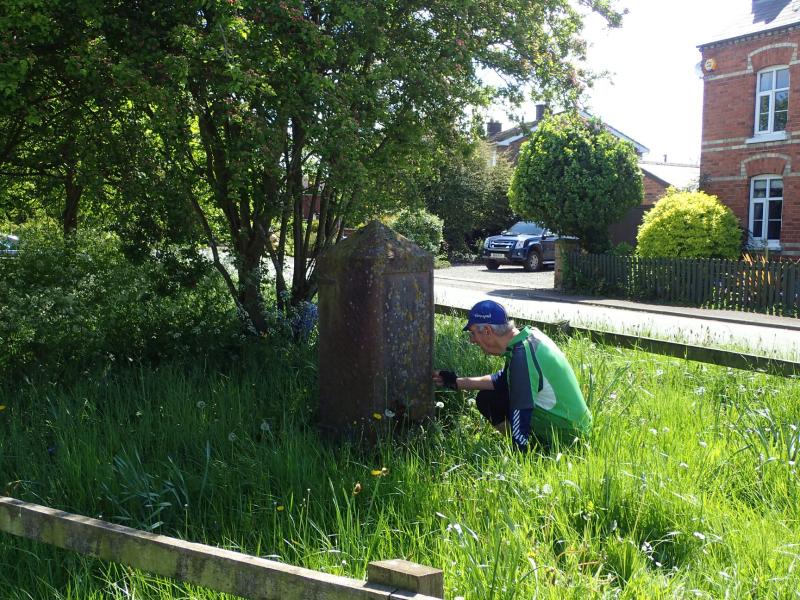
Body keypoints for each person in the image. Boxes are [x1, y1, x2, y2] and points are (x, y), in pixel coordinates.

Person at [433, 300, 591, 450]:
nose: (472, 340)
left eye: (473, 333)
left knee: (498, 405)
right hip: (577, 426)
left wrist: (520, 457)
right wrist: (455, 382)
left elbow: (520, 412)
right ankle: (535, 444)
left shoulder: (522, 356)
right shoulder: (527, 339)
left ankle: (536, 449)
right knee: (488, 399)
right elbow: (502, 380)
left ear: (487, 331)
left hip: (569, 438)